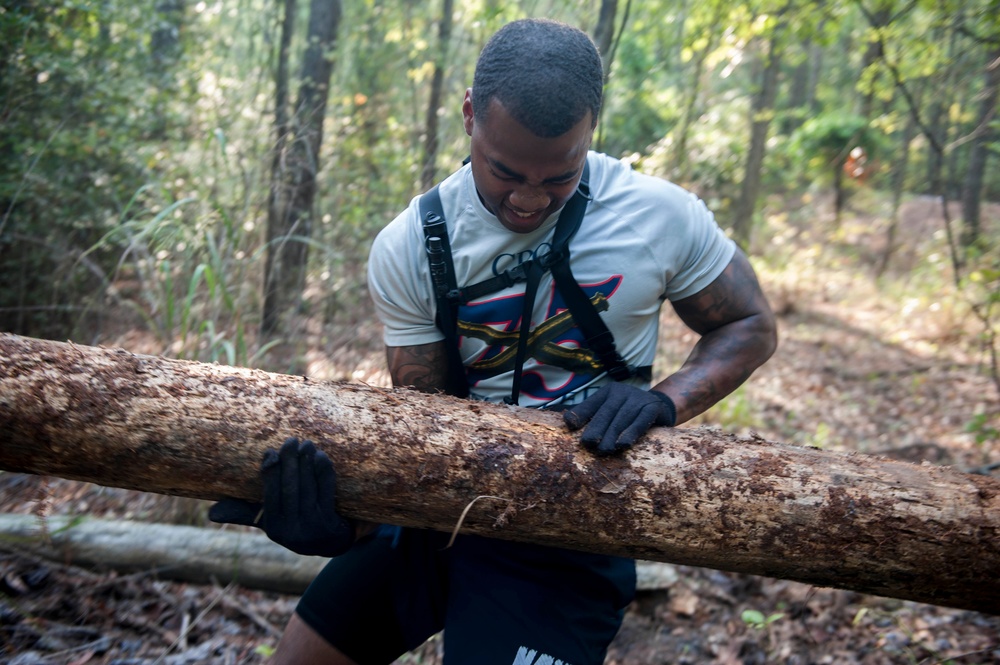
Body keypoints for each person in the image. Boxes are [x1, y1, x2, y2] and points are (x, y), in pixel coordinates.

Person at [211, 17, 777, 665]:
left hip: (573, 536)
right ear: (469, 116)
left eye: (558, 176)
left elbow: (751, 324)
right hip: (438, 520)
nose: (530, 199)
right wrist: (346, 523)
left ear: (593, 127)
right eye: (506, 171)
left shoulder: (661, 215)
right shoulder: (413, 244)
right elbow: (426, 426)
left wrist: (664, 402)